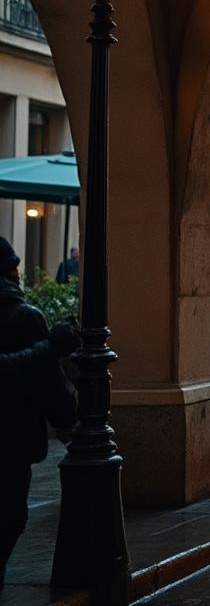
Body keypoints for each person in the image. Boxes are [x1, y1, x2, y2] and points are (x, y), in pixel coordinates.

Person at [0, 237, 78, 590]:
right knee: (8, 519)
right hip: (12, 440)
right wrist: (68, 425)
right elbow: (51, 383)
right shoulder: (25, 317)